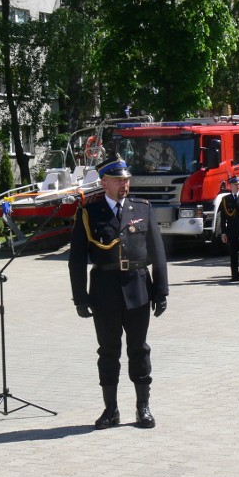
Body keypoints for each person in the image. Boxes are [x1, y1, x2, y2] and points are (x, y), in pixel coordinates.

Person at [68, 154, 168, 430]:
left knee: (139, 350)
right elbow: (76, 259)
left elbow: (157, 254)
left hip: (137, 288)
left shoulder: (143, 208)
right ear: (104, 183)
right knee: (108, 352)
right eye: (118, 180)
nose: (124, 185)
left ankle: (142, 407)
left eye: (126, 180)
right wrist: (80, 298)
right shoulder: (89, 213)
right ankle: (110, 409)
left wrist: (161, 291)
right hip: (104, 291)